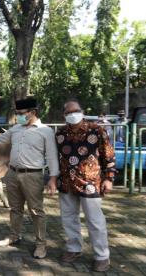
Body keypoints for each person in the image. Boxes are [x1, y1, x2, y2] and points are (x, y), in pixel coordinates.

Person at [0, 98, 59, 259]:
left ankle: (41, 244)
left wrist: (53, 178)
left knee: (36, 211)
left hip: (33, 175)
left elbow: (52, 156)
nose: (18, 116)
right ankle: (14, 236)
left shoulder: (46, 131)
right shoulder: (16, 129)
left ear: (32, 112)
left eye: (21, 113)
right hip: (13, 174)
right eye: (17, 113)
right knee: (15, 209)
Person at [52, 99, 115, 272]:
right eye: (69, 112)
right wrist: (52, 179)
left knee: (95, 221)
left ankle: (102, 256)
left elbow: (108, 155)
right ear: (64, 115)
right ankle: (73, 249)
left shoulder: (97, 130)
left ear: (82, 111)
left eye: (76, 110)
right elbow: (55, 158)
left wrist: (109, 178)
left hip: (91, 183)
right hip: (66, 183)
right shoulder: (60, 134)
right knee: (69, 218)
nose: (73, 114)